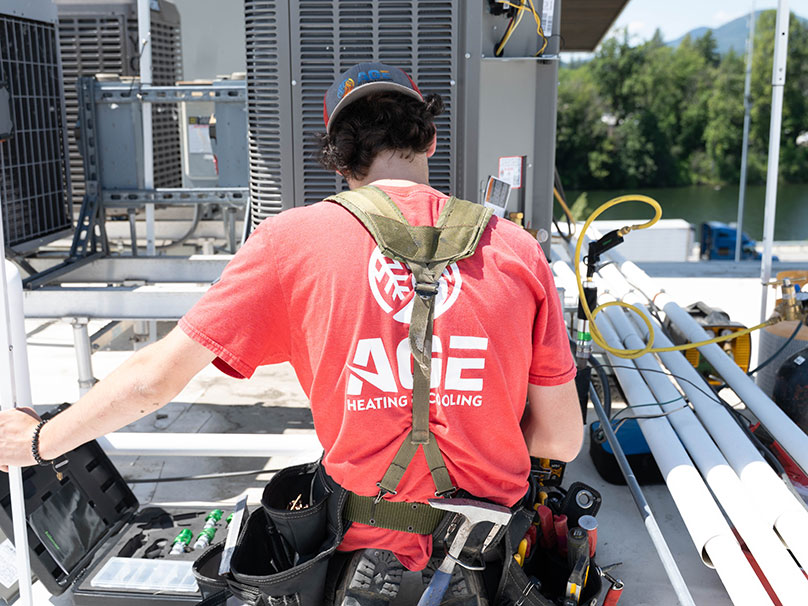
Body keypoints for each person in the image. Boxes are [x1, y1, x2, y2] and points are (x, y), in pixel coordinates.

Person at [0, 62, 582, 605]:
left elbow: (155, 381)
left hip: (369, 569)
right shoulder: (517, 250)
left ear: (337, 159)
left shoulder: (291, 243)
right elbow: (560, 440)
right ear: (430, 140)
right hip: (490, 564)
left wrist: (36, 443)